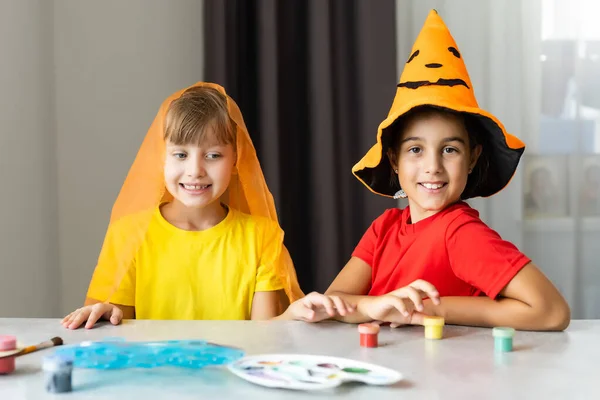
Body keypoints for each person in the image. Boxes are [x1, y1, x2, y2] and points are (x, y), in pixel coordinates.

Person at [325, 10, 570, 331]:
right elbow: (334, 302)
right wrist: (379, 305)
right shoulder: (384, 228)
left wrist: (428, 307)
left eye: (450, 150)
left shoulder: (459, 233)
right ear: (394, 160)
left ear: (472, 158)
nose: (433, 166)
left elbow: (551, 312)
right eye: (415, 149)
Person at [63, 83, 353, 329]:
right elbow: (117, 328)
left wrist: (293, 315)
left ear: (236, 159)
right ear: (160, 158)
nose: (195, 170)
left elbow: (264, 335)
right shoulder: (129, 234)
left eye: (213, 155)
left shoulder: (262, 236)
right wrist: (104, 314)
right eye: (180, 154)